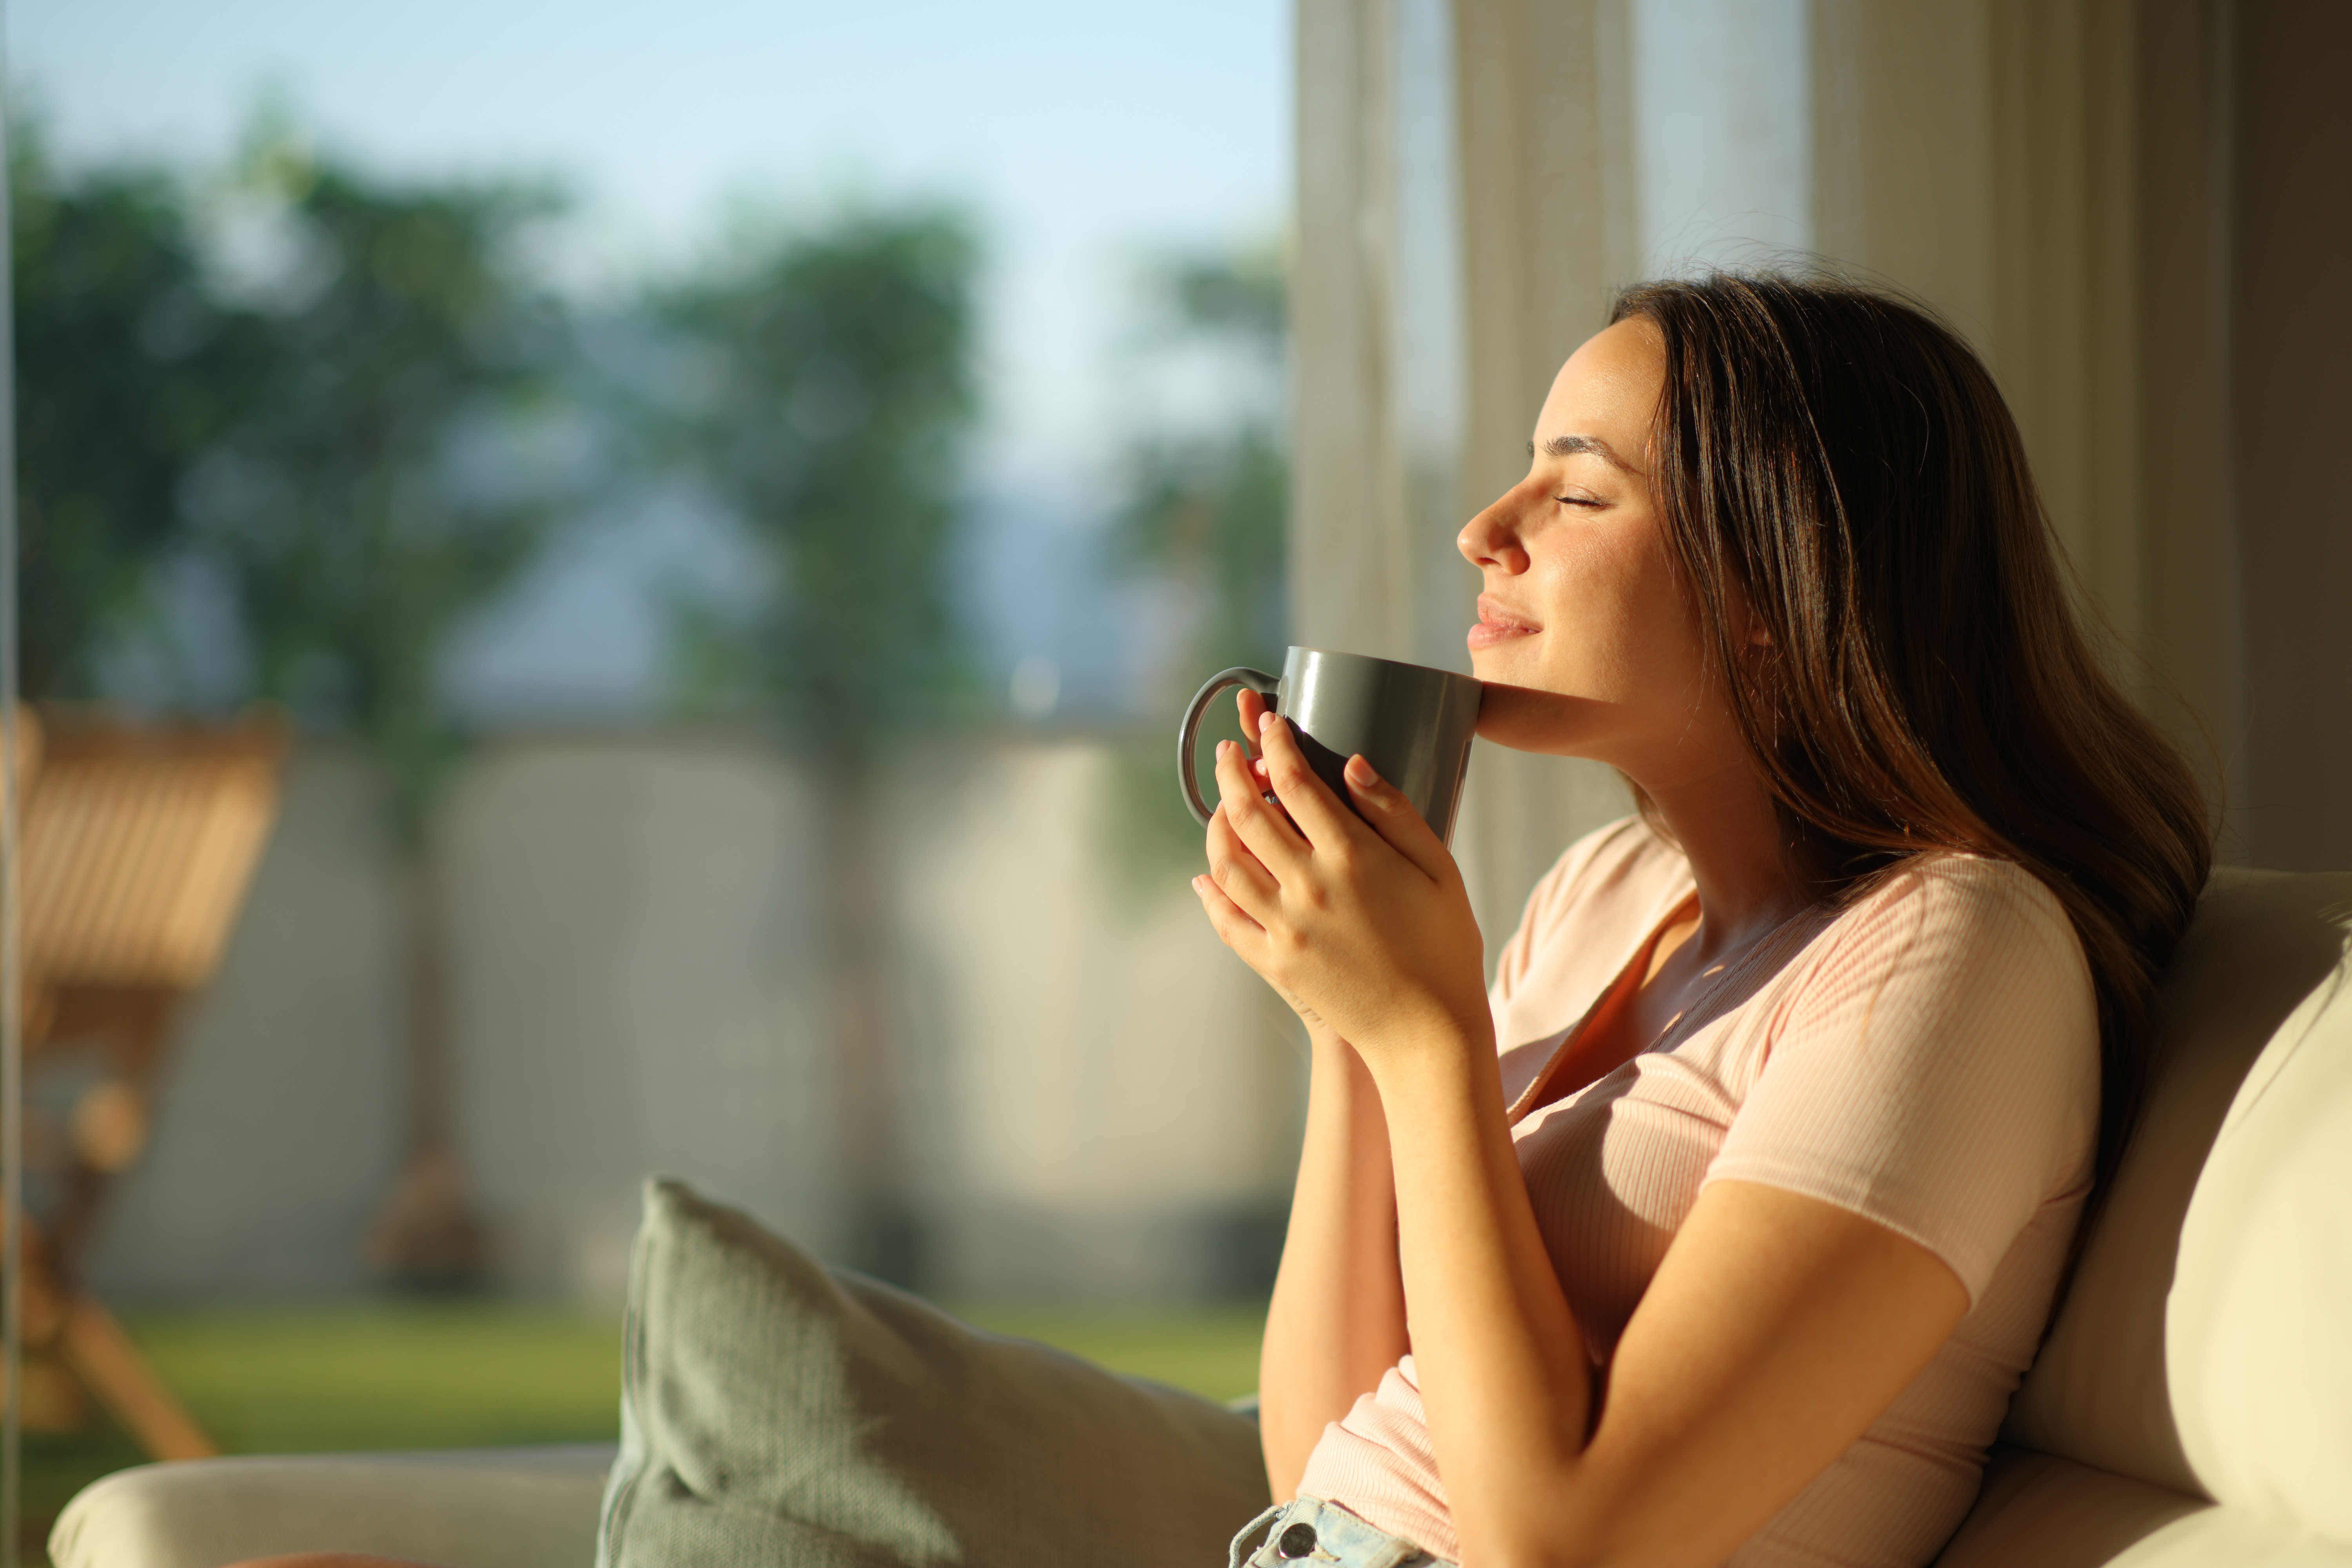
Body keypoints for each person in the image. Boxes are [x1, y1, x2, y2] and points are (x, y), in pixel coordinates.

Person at [1198, 273, 2210, 1568]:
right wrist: (1350, 1019)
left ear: (1776, 584)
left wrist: (1423, 1036)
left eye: (1573, 491)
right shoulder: (1604, 890)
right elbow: (1323, 1461)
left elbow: (1570, 1542)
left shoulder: (1959, 951)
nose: (1481, 532)